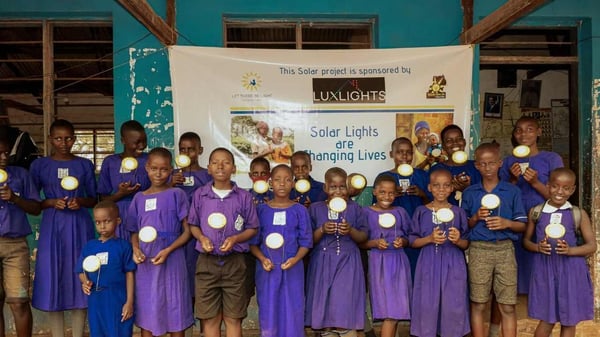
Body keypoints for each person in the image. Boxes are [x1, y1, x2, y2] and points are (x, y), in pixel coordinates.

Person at [30, 119, 97, 337]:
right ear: (50, 139)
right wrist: (50, 202)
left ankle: (78, 334)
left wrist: (81, 202)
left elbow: (94, 199)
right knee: (53, 278)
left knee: (81, 275)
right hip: (52, 227)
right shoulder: (40, 166)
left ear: (75, 139)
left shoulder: (84, 165)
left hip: (79, 225)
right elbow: (33, 203)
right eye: (58, 138)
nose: (64, 143)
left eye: (68, 138)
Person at [188, 147, 258, 337]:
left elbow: (253, 228)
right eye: (215, 162)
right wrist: (202, 237)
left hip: (235, 263)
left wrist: (236, 238)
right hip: (206, 262)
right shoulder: (200, 195)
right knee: (210, 318)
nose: (220, 166)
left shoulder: (243, 197)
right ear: (208, 168)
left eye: (226, 162)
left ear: (233, 168)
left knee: (233, 318)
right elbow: (193, 224)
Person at [461, 142, 527, 337]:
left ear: (500, 163)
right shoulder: (470, 193)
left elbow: (522, 225)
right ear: (476, 166)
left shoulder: (512, 191)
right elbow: (463, 226)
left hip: (505, 249)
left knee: (507, 305)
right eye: (482, 164)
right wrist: (475, 217)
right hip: (479, 250)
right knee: (478, 302)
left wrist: (507, 223)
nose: (487, 168)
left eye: (491, 163)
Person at [127, 147, 193, 337]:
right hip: (146, 260)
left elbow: (187, 231)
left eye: (164, 169)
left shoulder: (177, 194)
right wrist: (135, 248)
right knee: (148, 307)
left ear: (171, 170)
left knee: (175, 305)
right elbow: (133, 231)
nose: (158, 173)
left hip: (172, 258)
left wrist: (169, 249)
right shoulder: (139, 198)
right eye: (154, 168)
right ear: (146, 168)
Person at [523, 168, 596, 337]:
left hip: (571, 270)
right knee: (547, 319)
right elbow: (526, 241)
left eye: (565, 188)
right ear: (548, 186)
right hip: (545, 269)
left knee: (569, 319)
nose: (559, 192)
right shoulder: (537, 212)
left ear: (572, 190)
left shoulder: (578, 214)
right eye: (555, 186)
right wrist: (538, 247)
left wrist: (570, 250)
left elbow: (592, 246)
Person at [500, 116, 563, 295]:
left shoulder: (551, 159)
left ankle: (544, 297)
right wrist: (512, 179)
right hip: (517, 219)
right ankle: (520, 297)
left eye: (529, 129)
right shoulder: (508, 161)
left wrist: (535, 182)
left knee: (543, 256)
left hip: (545, 218)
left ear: (538, 132)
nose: (523, 134)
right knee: (519, 259)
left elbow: (558, 197)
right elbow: (502, 198)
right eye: (518, 130)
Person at [250, 164, 312, 337]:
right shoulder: (261, 210)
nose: (282, 184)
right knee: (269, 309)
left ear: (293, 183)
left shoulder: (300, 210)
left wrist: (295, 259)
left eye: (287, 180)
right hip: (267, 269)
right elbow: (253, 243)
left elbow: (306, 242)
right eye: (277, 180)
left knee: (293, 308)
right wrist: (263, 259)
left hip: (293, 267)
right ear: (270, 183)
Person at [305, 167, 368, 337]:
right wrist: (322, 229)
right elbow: (308, 240)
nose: (338, 191)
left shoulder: (355, 208)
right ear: (325, 188)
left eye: (342, 187)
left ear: (348, 187)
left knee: (345, 306)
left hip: (348, 261)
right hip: (323, 261)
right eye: (333, 187)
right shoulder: (315, 208)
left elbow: (363, 236)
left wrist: (351, 231)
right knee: (325, 308)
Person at [410, 169, 470, 337]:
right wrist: (429, 239)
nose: (441, 189)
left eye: (446, 185)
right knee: (428, 302)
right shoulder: (421, 211)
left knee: (453, 302)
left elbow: (466, 243)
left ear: (452, 188)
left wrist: (458, 240)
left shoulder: (458, 212)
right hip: (429, 262)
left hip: (454, 262)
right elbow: (413, 241)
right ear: (429, 187)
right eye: (436, 185)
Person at [171, 132, 212, 337]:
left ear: (200, 151)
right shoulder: (170, 176)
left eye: (192, 149)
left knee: (201, 286)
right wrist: (170, 183)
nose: (187, 153)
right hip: (177, 237)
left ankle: (204, 330)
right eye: (183, 149)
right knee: (182, 287)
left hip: (201, 237)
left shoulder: (207, 175)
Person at [361, 174, 411, 337]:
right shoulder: (366, 213)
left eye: (391, 193)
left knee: (396, 308)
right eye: (382, 192)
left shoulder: (400, 212)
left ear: (396, 193)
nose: (387, 196)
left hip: (398, 261)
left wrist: (402, 242)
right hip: (378, 263)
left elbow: (410, 237)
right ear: (374, 192)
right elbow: (360, 242)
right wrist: (374, 243)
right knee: (389, 310)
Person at [0, 137, 41, 337]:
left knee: (19, 301)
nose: (3, 158)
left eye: (6, 153)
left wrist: (14, 198)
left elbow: (35, 208)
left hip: (15, 245)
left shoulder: (21, 175)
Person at [77, 200, 136, 337]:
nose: (102, 226)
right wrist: (85, 282)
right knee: (98, 332)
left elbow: (129, 274)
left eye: (107, 221)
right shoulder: (90, 246)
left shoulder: (124, 246)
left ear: (118, 221)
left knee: (118, 331)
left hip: (117, 298)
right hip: (96, 298)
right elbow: (81, 270)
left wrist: (129, 302)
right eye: (98, 222)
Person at [373, 137, 430, 277]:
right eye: (399, 152)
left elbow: (434, 204)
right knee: (397, 273)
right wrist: (390, 195)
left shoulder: (422, 175)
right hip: (394, 233)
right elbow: (375, 207)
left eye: (408, 152)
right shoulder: (384, 177)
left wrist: (422, 194)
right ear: (391, 154)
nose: (404, 156)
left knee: (417, 270)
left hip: (419, 231)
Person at [98, 120, 150, 241]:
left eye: (144, 141)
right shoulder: (110, 162)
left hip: (145, 212)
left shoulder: (150, 159)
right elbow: (102, 200)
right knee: (122, 251)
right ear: (123, 141)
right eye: (136, 142)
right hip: (119, 216)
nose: (141, 146)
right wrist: (120, 194)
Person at [431, 124, 481, 206]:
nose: (455, 143)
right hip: (445, 215)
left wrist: (466, 189)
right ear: (443, 146)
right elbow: (431, 198)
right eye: (449, 141)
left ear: (464, 142)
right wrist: (449, 188)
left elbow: (485, 195)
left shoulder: (477, 166)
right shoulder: (437, 170)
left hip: (473, 216)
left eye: (459, 139)